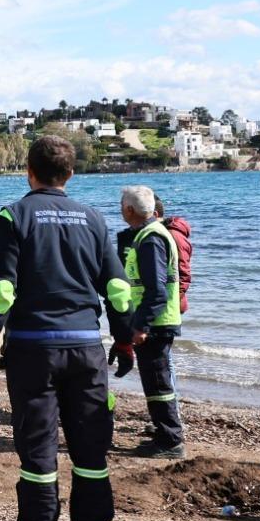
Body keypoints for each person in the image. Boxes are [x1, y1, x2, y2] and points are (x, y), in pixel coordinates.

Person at [0, 135, 135, 521]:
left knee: (39, 450)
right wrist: (123, 339)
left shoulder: (13, 216)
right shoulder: (94, 218)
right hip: (85, 349)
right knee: (91, 451)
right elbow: (117, 288)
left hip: (33, 351)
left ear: (29, 171)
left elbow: (3, 290)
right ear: (70, 175)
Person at [117, 186, 185, 459]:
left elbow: (156, 291)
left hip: (156, 323)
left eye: (122, 205)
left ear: (130, 209)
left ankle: (170, 440)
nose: (120, 209)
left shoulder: (151, 238)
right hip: (154, 321)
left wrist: (141, 326)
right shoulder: (146, 234)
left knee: (158, 383)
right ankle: (163, 434)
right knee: (155, 382)